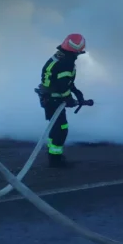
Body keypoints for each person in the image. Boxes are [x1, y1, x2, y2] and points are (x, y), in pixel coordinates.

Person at [37, 33, 87, 168]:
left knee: (56, 127)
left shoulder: (59, 57)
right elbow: (61, 86)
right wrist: (69, 99)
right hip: (54, 100)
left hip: (49, 99)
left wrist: (77, 93)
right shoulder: (67, 63)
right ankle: (55, 160)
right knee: (61, 129)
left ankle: (53, 155)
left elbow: (65, 82)